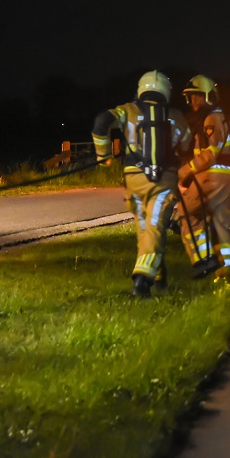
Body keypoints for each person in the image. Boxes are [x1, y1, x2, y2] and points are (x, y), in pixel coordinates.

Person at [92, 70, 192, 297]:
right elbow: (187, 146)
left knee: (146, 229)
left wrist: (103, 155)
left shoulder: (127, 110)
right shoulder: (176, 116)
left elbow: (101, 122)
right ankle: (142, 279)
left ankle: (159, 276)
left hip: (134, 180)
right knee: (155, 225)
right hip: (163, 181)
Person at [176, 74, 230, 280]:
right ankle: (228, 267)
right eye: (190, 98)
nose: (192, 102)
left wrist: (185, 171)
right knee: (220, 220)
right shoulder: (214, 117)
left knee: (185, 214)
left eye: (195, 96)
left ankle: (205, 261)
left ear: (207, 96)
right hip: (224, 176)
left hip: (214, 177)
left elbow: (211, 153)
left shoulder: (212, 118)